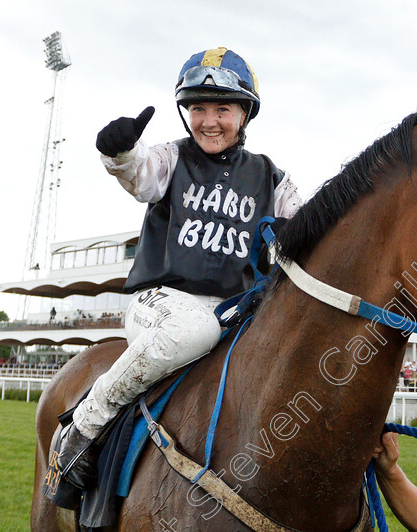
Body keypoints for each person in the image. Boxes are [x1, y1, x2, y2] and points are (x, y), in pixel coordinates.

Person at [55, 47, 303, 489]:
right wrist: (123, 152)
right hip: (163, 303)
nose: (209, 120)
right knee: (196, 329)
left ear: (244, 114)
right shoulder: (171, 158)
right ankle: (86, 425)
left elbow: (309, 226)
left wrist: (299, 233)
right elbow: (140, 174)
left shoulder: (272, 178)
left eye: (222, 108)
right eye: (197, 108)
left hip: (232, 312)